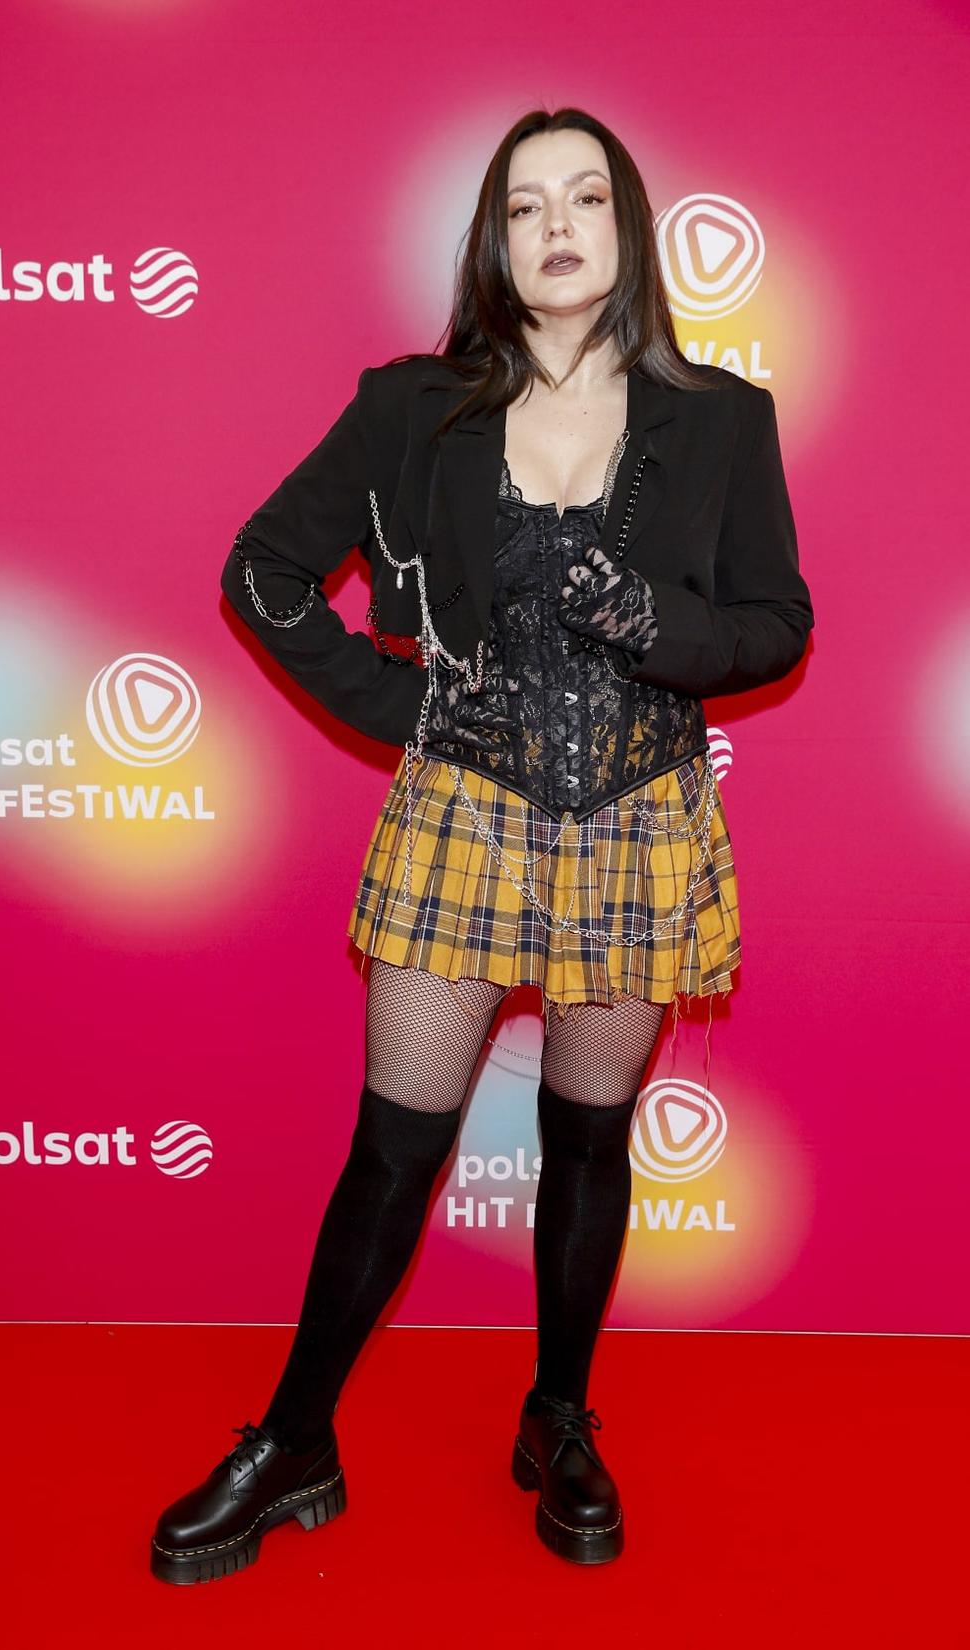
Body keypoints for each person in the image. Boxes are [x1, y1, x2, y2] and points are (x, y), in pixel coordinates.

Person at [150, 107, 814, 1582]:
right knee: (395, 1147)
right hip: (461, 812)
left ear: (627, 227)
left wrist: (661, 625)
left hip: (639, 816)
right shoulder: (414, 407)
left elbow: (778, 624)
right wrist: (407, 705)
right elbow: (262, 568)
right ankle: (295, 1439)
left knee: (589, 1136)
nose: (557, 225)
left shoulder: (724, 417)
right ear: (495, 244)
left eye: (585, 198)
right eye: (525, 206)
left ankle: (557, 1418)